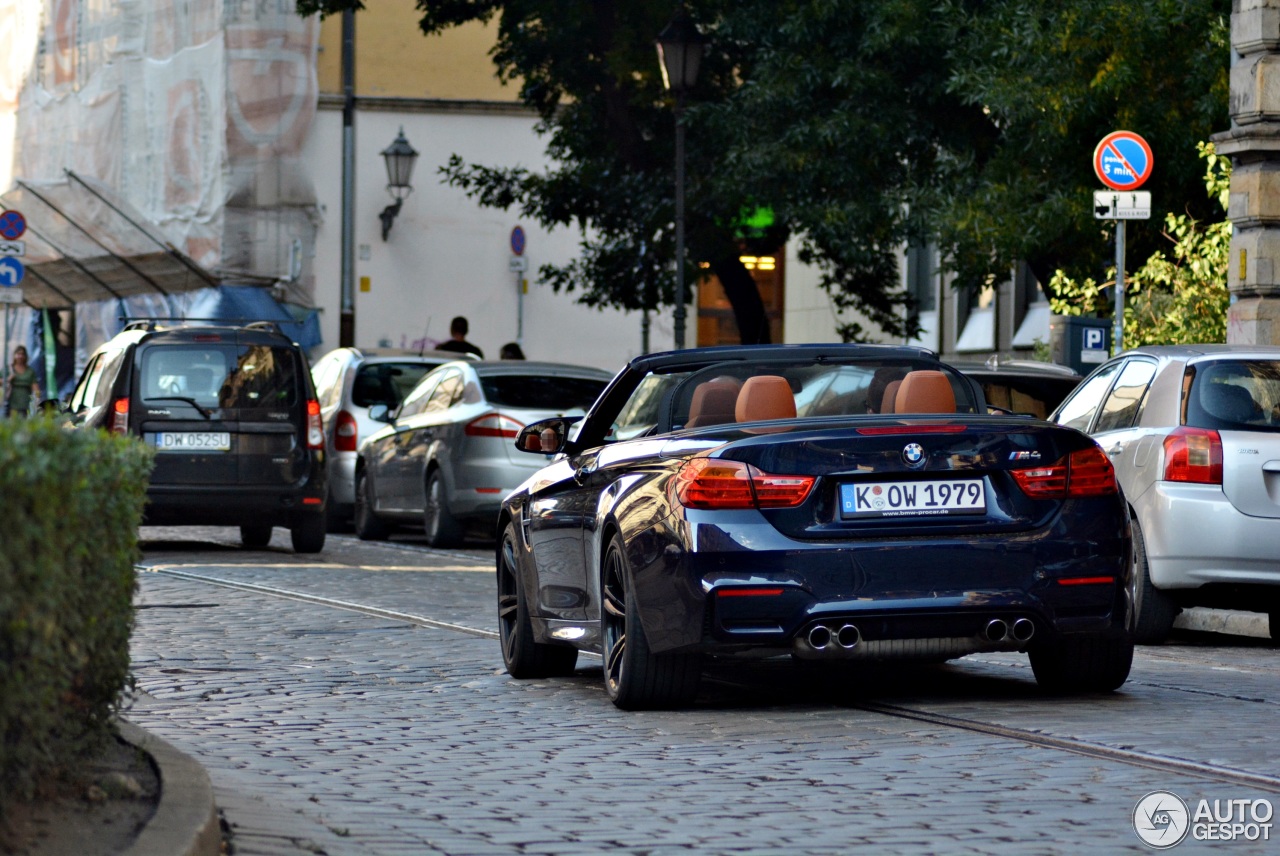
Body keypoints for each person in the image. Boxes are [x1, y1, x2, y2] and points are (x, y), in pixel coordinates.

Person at [4, 345, 39, 418]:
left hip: (25, 404)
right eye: (18, 354)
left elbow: (35, 388)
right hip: (11, 404)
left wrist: (37, 400)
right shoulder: (9, 369)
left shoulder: (30, 371)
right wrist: (8, 379)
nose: (20, 356)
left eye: (22, 354)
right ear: (14, 355)